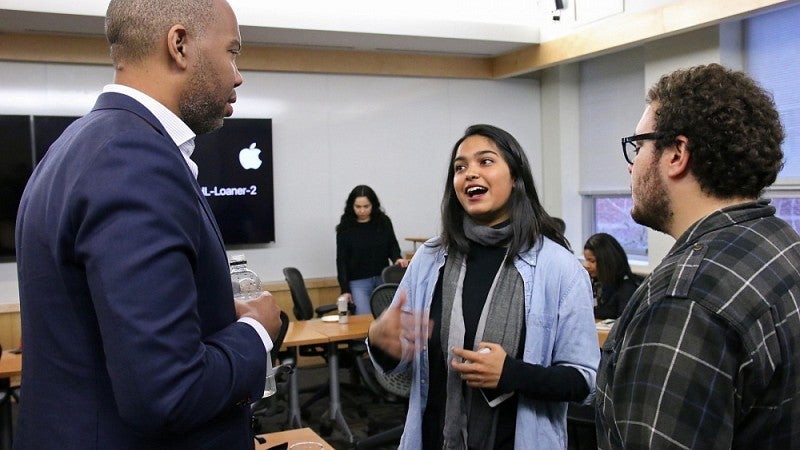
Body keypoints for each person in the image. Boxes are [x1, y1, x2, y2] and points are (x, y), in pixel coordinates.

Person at [13, 1, 283, 448]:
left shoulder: (77, 145)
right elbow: (169, 393)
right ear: (179, 45)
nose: (238, 75)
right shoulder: (135, 161)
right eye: (233, 52)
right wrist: (256, 333)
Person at [596, 63, 800, 449]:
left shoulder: (682, 300)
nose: (631, 163)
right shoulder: (783, 244)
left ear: (676, 154)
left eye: (638, 147)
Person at [367, 124, 600, 449]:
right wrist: (381, 342)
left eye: (485, 162)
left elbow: (585, 382)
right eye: (460, 167)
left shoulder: (560, 268)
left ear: (516, 176)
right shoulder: (430, 259)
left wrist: (511, 374)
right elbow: (401, 365)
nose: (469, 174)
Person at [336, 185, 408, 314]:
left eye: (366, 206)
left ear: (373, 205)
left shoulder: (383, 221)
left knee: (386, 319)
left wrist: (397, 258)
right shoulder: (345, 227)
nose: (362, 211)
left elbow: (392, 245)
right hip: (358, 282)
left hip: (382, 279)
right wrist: (345, 289)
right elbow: (341, 260)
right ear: (351, 206)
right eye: (358, 207)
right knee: (364, 318)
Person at [582, 232, 640, 320]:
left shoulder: (627, 287)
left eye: (592, 261)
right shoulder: (593, 282)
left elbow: (624, 322)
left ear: (607, 261)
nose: (586, 265)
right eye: (586, 260)